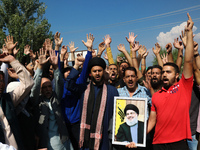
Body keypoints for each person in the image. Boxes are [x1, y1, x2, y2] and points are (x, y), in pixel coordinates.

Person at [147, 13, 194, 150]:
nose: (164, 75)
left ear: (177, 75)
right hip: (158, 144)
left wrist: (189, 33)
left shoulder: (184, 87)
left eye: (168, 72)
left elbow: (189, 61)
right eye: (163, 72)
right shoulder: (156, 96)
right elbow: (152, 120)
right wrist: (137, 136)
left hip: (178, 144)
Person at [67, 56, 119, 150]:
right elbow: (69, 84)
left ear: (104, 71)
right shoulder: (83, 89)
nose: (97, 73)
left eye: (100, 70)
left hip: (104, 140)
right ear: (90, 73)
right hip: (85, 140)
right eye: (94, 71)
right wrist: (76, 66)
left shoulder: (112, 91)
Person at [30, 49, 71, 150]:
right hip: (45, 142)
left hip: (62, 141)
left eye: (49, 86)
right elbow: (35, 87)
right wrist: (39, 67)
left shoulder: (56, 97)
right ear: (40, 90)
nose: (48, 89)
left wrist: (56, 67)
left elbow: (60, 83)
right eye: (44, 87)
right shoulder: (37, 101)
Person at [0, 53, 34, 150]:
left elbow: (28, 83)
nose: (1, 84)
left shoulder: (8, 99)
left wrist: (12, 61)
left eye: (2, 81)